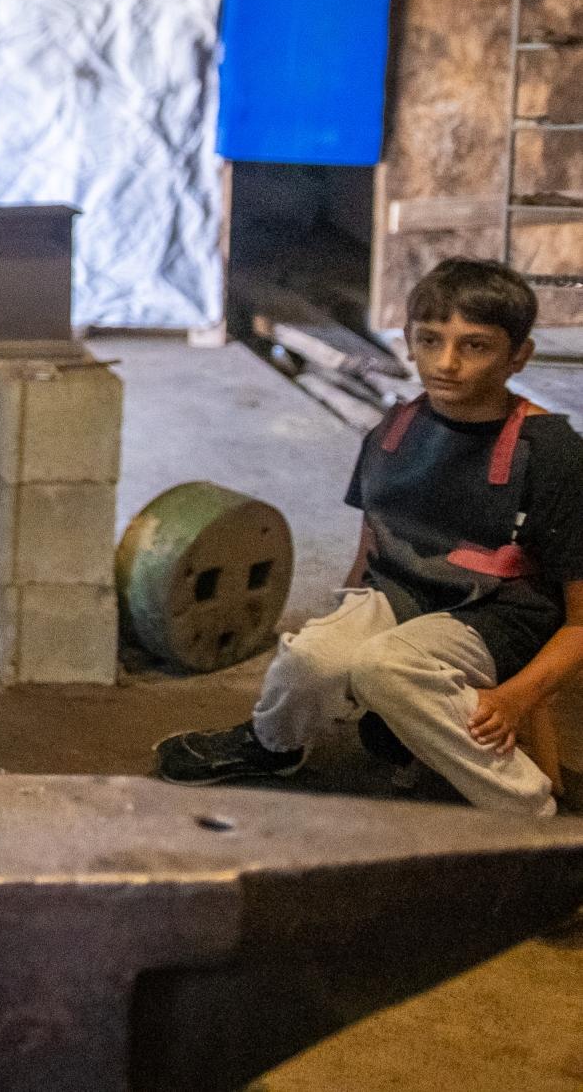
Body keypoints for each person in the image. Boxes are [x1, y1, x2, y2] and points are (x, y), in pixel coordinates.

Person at [157, 258, 583, 818]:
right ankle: (272, 748)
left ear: (518, 356)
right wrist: (341, 629)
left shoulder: (550, 453)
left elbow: (578, 622)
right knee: (313, 658)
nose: (446, 363)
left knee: (386, 666)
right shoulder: (394, 431)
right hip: (404, 595)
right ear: (407, 342)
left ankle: (532, 815)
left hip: (498, 617)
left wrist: (515, 696)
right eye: (430, 340)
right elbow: (369, 552)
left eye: (474, 346)